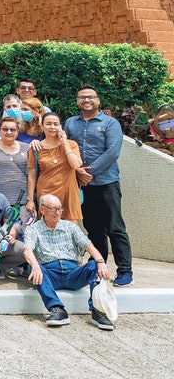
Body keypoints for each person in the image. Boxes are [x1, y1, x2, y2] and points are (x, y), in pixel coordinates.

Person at [64, 86, 133, 287]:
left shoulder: (110, 123)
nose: (87, 100)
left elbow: (112, 152)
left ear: (98, 100)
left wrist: (90, 171)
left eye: (91, 97)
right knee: (93, 228)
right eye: (82, 97)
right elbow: (66, 148)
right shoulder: (70, 123)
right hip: (82, 185)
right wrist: (79, 173)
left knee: (115, 227)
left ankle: (125, 271)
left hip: (106, 182)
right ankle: (97, 266)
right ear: (77, 101)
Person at [23, 193, 115, 330]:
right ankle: (57, 309)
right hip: (50, 274)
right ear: (42, 210)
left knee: (94, 265)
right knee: (33, 267)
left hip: (73, 274)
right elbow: (27, 250)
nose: (58, 212)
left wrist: (101, 262)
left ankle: (98, 311)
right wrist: (35, 266)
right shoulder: (33, 229)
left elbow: (88, 245)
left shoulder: (70, 227)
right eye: (54, 208)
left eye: (60, 208)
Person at [27, 111, 83, 222]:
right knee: (48, 226)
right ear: (41, 125)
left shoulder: (71, 144)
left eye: (55, 124)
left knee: (70, 227)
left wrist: (65, 144)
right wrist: (30, 200)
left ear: (60, 126)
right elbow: (32, 175)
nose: (52, 127)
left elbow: (76, 165)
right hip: (46, 191)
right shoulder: (36, 147)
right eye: (48, 124)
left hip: (68, 191)